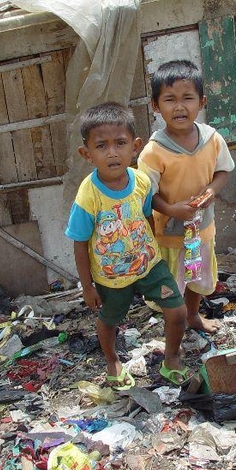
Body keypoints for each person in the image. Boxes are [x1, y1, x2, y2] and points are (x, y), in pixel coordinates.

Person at [65, 102, 192, 388]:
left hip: (149, 265)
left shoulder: (142, 182)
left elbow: (146, 216)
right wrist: (87, 287)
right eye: (102, 146)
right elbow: (79, 243)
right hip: (111, 276)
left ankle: (171, 358)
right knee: (109, 320)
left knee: (178, 312)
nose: (112, 153)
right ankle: (112, 360)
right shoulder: (88, 196)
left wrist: (155, 252)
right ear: (87, 154)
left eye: (120, 143)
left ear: (134, 147)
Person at [137, 60, 235, 335]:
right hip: (169, 233)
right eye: (170, 100)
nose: (179, 107)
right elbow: (147, 196)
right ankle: (175, 327)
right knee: (172, 284)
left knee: (198, 277)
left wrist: (211, 191)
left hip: (202, 229)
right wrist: (170, 208)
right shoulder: (153, 152)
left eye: (187, 98)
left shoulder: (213, 139)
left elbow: (223, 171)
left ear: (201, 102)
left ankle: (193, 315)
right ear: (156, 106)